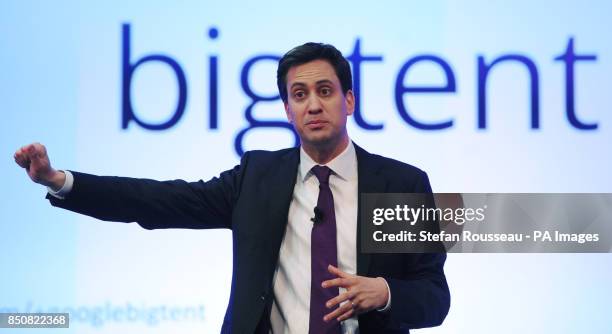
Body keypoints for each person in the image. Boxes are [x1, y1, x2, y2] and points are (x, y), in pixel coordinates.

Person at [14, 42, 450, 334]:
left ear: (349, 100)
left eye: (325, 90)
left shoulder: (401, 185)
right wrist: (61, 182)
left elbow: (435, 296)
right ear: (286, 109)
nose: (313, 104)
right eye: (299, 95)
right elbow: (158, 201)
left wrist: (386, 293)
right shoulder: (258, 177)